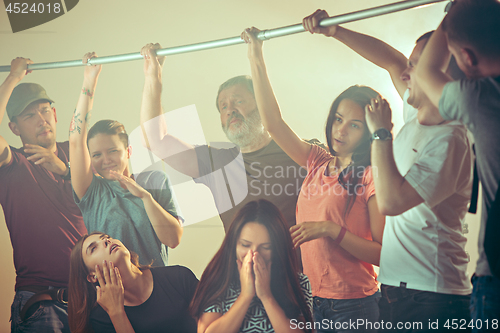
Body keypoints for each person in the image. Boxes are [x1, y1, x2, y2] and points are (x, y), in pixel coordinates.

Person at [302, 8, 474, 331]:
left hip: (433, 295)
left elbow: (391, 202)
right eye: (410, 64)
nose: (406, 73)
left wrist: (380, 133)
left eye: (417, 66)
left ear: (441, 76)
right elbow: (392, 61)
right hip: (396, 290)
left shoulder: (451, 139)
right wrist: (335, 31)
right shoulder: (416, 116)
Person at [241, 27, 385, 332]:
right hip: (314, 299)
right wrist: (255, 53)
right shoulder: (318, 160)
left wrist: (331, 230)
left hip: (355, 304)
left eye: (354, 125)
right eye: (338, 119)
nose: (341, 130)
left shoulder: (373, 175)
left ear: (370, 130)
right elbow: (273, 123)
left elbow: (384, 253)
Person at [139, 43, 320, 232]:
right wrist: (153, 76)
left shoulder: (301, 151)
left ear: (261, 104)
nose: (230, 111)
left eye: (238, 101)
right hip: (240, 262)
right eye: (223, 106)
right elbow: (155, 140)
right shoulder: (216, 162)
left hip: (295, 260)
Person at [415, 0, 500, 329]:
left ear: (466, 58)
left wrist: (453, 12)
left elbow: (425, 72)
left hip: (495, 278)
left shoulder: (481, 97)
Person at [69, 52, 183, 266]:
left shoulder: (155, 182)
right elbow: (76, 139)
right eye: (96, 155)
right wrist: (89, 80)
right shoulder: (93, 192)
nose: (105, 160)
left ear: (128, 151)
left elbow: (173, 240)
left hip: (157, 287)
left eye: (112, 151)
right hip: (115, 291)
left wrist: (145, 198)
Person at [0, 57, 87, 332]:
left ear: (55, 114)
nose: (41, 120)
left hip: (91, 297)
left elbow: (103, 191)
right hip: (41, 304)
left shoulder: (75, 153)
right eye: (29, 115)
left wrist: (64, 170)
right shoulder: (12, 165)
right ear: (14, 128)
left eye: (45, 110)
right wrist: (13, 77)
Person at [189, 200, 313, 333]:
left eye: (266, 247)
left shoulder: (298, 282)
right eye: (245, 245)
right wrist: (245, 296)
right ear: (233, 244)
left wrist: (266, 296)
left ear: (278, 249)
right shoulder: (217, 279)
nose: (254, 255)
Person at [68, 231, 198, 333]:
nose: (107, 241)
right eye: (93, 248)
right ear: (92, 276)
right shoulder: (101, 318)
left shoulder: (179, 276)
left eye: (106, 237)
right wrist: (117, 313)